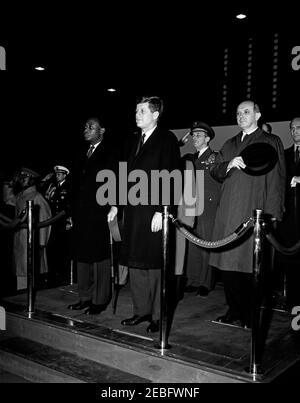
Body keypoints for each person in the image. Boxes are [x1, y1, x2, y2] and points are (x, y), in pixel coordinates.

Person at [209, 100, 286, 328]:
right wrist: (228, 164)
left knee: (250, 267)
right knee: (228, 266)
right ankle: (233, 310)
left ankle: (251, 314)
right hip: (228, 212)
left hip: (254, 211)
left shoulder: (271, 141)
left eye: (246, 111)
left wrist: (272, 214)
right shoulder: (230, 143)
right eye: (238, 113)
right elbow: (215, 170)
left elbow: (278, 181)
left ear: (258, 114)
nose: (241, 116)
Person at [108, 96, 181, 333]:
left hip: (153, 212)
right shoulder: (131, 141)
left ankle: (159, 315)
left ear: (155, 114)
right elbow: (121, 174)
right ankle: (141, 311)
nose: (137, 114)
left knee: (155, 265)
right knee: (135, 262)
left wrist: (163, 210)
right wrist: (116, 205)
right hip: (133, 212)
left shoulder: (166, 139)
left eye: (142, 111)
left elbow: (173, 178)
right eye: (136, 110)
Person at [68, 117, 116, 315]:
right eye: (85, 126)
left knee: (99, 258)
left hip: (99, 213)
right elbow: (74, 185)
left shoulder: (110, 152)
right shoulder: (82, 153)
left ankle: (100, 299)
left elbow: (114, 180)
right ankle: (84, 297)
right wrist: (71, 212)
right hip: (81, 213)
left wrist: (113, 207)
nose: (86, 129)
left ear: (102, 130)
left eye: (91, 127)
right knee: (82, 257)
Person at [183, 121, 221, 297]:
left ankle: (206, 282)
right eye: (193, 135)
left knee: (206, 243)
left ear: (207, 138)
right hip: (191, 205)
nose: (194, 138)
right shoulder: (190, 158)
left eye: (199, 135)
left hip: (208, 205)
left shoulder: (214, 157)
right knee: (192, 243)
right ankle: (193, 280)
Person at [12, 167, 52, 290]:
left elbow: (45, 221)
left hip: (31, 245)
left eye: (26, 178)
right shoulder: (20, 196)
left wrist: (41, 245)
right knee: (21, 277)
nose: (22, 180)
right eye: (22, 177)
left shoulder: (36, 197)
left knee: (30, 280)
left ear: (32, 180)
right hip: (20, 242)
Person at [275, 117, 300, 309]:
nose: (295, 131)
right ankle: (292, 301)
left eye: (299, 127)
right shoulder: (284, 155)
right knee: (290, 262)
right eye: (292, 128)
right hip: (289, 219)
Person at [45, 165, 72, 286]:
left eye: (59, 174)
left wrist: (68, 221)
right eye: (56, 174)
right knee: (53, 248)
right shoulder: (53, 187)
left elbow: (69, 206)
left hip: (63, 221)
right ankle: (53, 274)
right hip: (53, 221)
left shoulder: (68, 187)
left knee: (63, 249)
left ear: (65, 175)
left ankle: (64, 275)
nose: (57, 176)